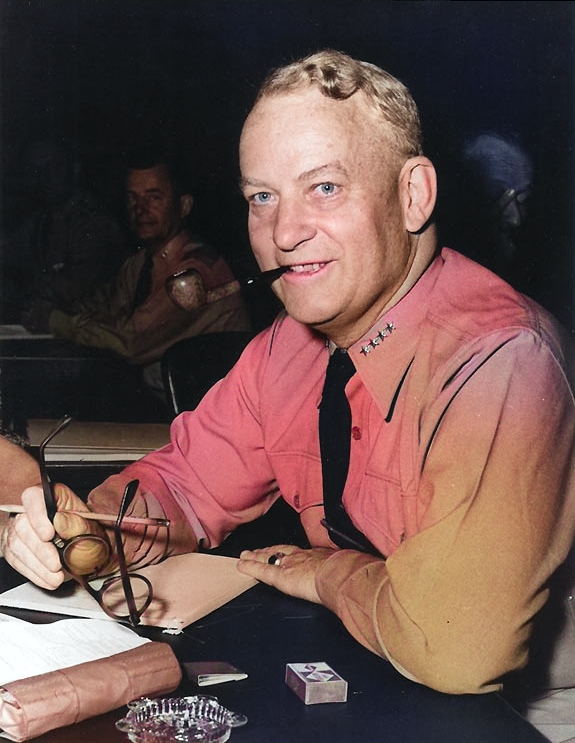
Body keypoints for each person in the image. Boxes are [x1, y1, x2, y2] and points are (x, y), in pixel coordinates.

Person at [2, 51, 574, 705]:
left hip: (536, 710)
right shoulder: (291, 347)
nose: (283, 231)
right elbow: (185, 488)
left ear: (412, 194)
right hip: (377, 668)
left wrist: (325, 572)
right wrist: (93, 531)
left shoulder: (498, 356)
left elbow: (456, 648)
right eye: (262, 198)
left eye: (323, 188)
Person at [25, 151, 251, 366]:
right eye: (133, 198)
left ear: (183, 206)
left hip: (207, 400)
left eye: (154, 198)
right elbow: (104, 305)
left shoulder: (197, 271)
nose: (140, 209)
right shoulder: (142, 262)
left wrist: (56, 321)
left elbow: (130, 341)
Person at [2, 139, 130, 323]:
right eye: (34, 169)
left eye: (52, 166)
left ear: (74, 169)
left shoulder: (92, 220)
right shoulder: (41, 220)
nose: (42, 176)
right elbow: (10, 252)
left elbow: (73, 288)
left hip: (93, 329)